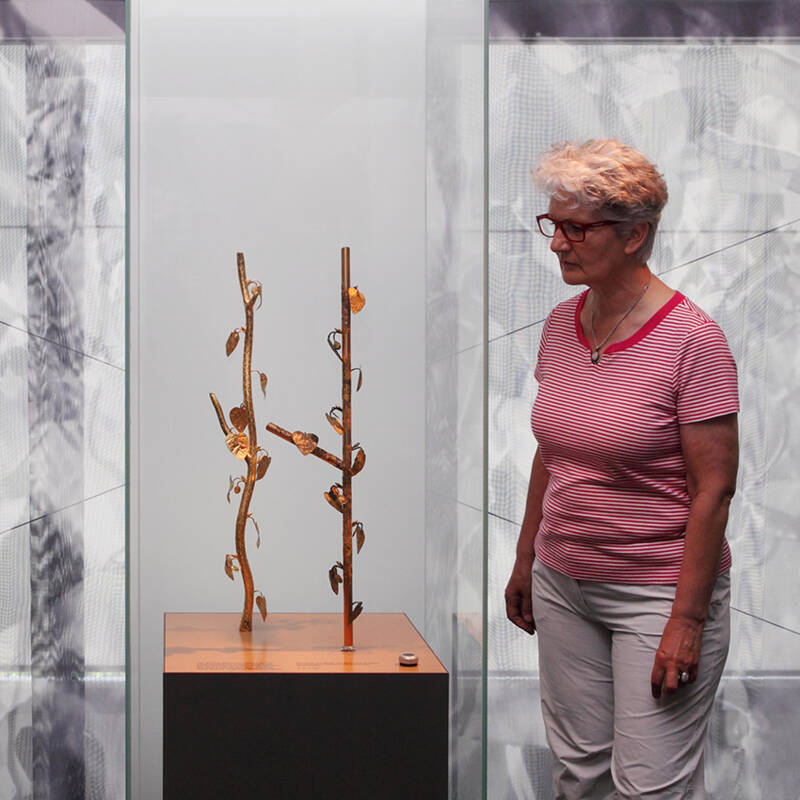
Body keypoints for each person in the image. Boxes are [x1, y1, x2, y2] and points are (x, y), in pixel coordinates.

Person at [504, 139, 739, 800]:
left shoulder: (693, 339)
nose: (557, 244)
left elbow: (714, 491)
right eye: (553, 225)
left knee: (649, 790)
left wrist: (687, 621)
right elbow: (553, 454)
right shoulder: (559, 325)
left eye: (576, 228)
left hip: (658, 594)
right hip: (563, 584)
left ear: (635, 235)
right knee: (580, 779)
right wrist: (526, 561)